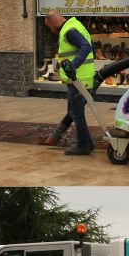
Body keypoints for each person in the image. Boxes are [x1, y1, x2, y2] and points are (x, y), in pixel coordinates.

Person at [43, 10, 96, 155]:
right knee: (73, 111)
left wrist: (74, 65)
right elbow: (93, 45)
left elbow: (86, 46)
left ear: (54, 22)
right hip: (82, 77)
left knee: (76, 112)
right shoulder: (76, 25)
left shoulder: (68, 31)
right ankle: (87, 142)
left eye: (50, 27)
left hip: (78, 79)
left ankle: (83, 145)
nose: (51, 30)